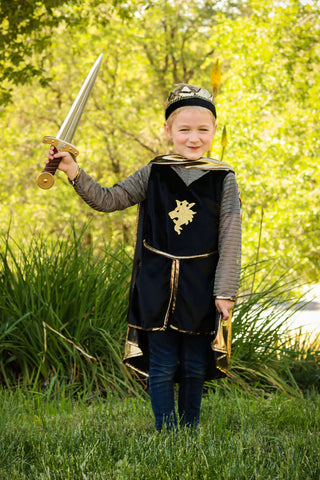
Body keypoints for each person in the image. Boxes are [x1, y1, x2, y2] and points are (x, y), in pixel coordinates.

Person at [46, 83, 241, 431]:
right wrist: (73, 171)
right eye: (184, 130)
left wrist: (225, 290)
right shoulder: (155, 172)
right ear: (167, 130)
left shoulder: (223, 177)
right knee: (163, 363)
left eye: (202, 130)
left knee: (195, 365)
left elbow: (230, 234)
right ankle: (166, 431)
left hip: (200, 287)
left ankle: (190, 429)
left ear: (214, 130)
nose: (193, 138)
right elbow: (108, 200)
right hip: (156, 286)